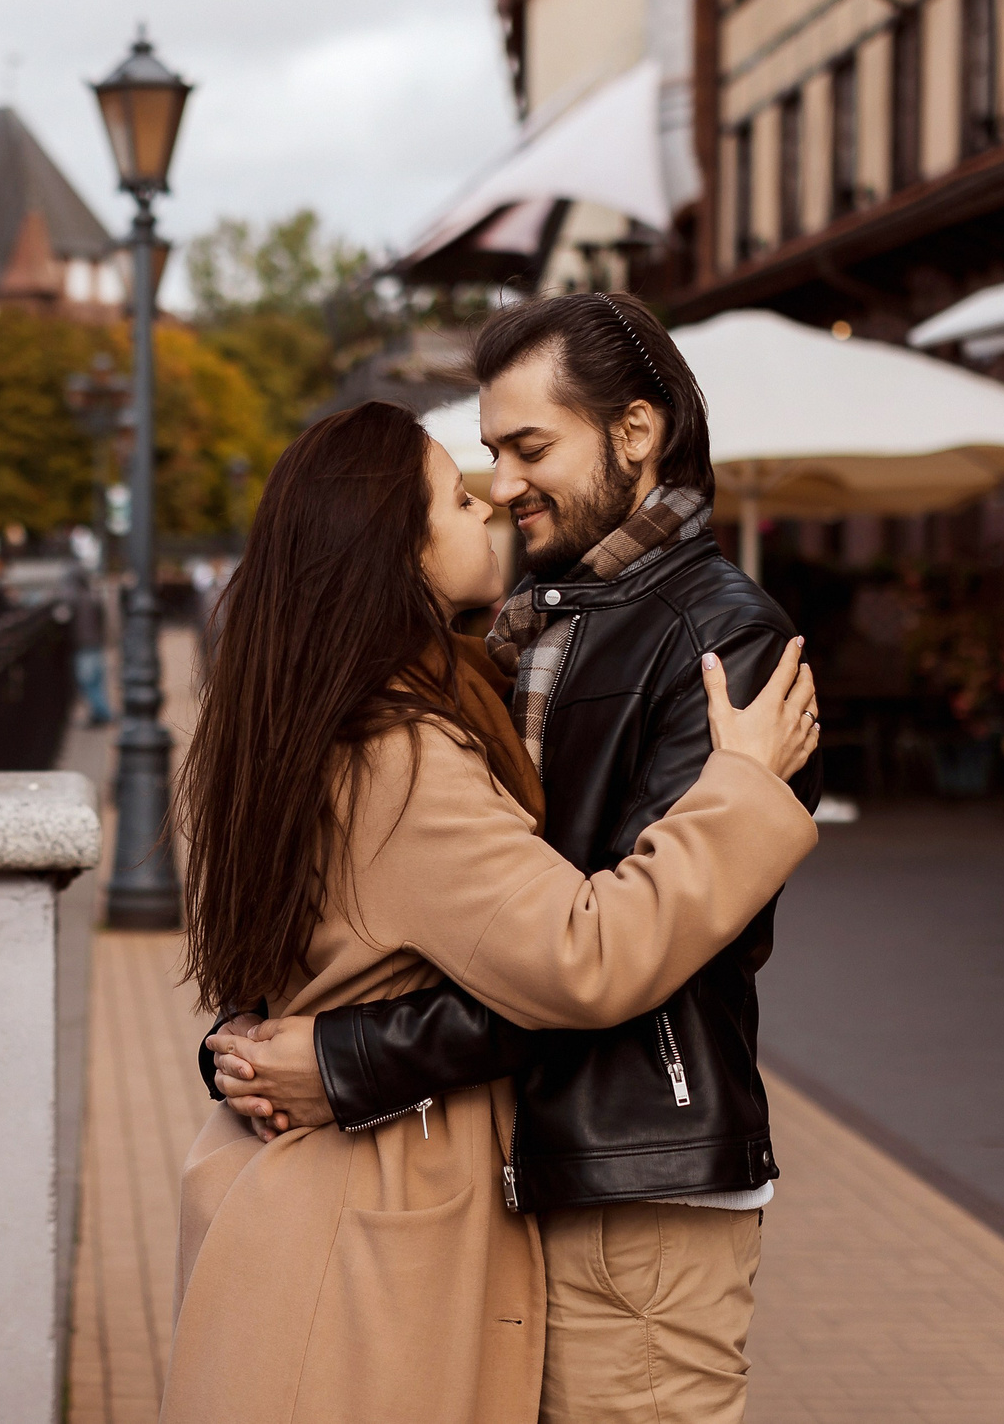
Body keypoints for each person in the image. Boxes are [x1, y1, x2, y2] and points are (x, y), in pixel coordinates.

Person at [208, 293, 820, 1423]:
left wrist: (349, 1057)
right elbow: (416, 917)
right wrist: (263, 1039)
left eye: (527, 446)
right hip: (494, 1174)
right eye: (482, 458)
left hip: (625, 1180)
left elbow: (610, 957)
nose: (499, 482)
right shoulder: (519, 634)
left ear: (634, 432)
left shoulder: (721, 642)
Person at [64, 562, 112, 726]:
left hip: (84, 645)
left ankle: (103, 713)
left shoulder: (74, 598)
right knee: (96, 681)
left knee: (88, 682)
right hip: (95, 643)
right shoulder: (92, 596)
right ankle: (100, 713)